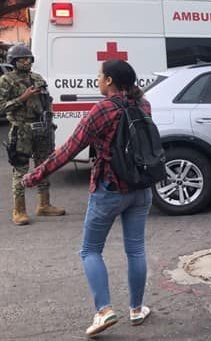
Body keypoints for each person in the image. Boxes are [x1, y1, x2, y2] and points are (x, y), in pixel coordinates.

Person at [21, 60, 152, 337]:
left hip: (109, 190)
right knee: (136, 250)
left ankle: (104, 310)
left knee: (90, 250)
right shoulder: (143, 105)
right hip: (141, 188)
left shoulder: (102, 110)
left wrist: (35, 176)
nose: (97, 79)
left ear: (109, 81)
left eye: (100, 75)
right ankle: (137, 310)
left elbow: (68, 150)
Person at [0, 44, 65, 225]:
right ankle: (19, 210)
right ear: (13, 61)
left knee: (43, 167)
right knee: (20, 171)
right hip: (21, 130)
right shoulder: (6, 80)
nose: (26, 61)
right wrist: (23, 98)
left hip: (41, 129)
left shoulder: (37, 78)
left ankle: (44, 204)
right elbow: (1, 106)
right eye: (22, 59)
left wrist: (49, 123)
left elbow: (47, 101)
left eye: (29, 58)